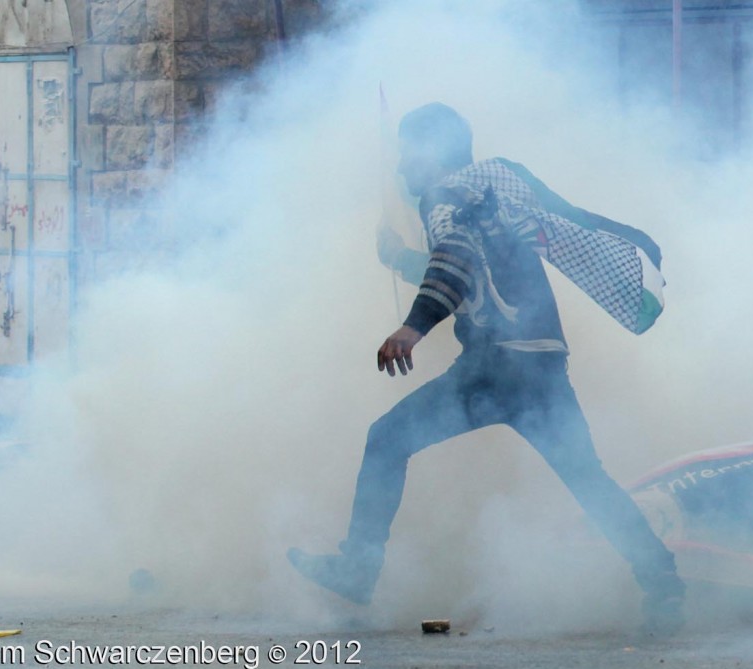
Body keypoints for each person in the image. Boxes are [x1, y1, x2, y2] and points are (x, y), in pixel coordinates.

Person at [288, 103, 685, 634]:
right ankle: (664, 585)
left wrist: (413, 326)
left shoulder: (444, 196)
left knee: (386, 440)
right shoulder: (504, 178)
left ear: (432, 153)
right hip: (542, 366)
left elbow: (455, 258)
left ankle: (358, 570)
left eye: (408, 155)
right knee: (588, 478)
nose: (402, 170)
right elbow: (542, 233)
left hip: (494, 369)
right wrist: (637, 241)